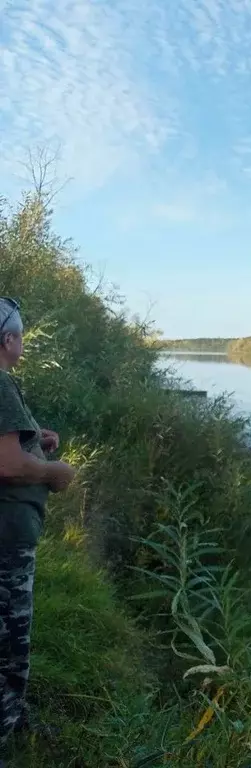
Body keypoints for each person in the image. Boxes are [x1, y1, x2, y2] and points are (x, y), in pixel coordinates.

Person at [0, 297, 76, 759]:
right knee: (10, 645)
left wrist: (35, 438)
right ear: (9, 339)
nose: (23, 342)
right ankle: (6, 737)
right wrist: (55, 472)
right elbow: (7, 465)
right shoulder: (1, 385)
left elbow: (9, 445)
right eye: (21, 335)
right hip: (8, 535)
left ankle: (14, 717)